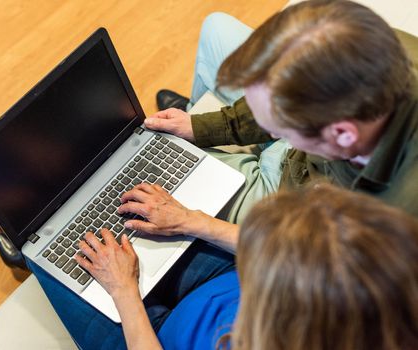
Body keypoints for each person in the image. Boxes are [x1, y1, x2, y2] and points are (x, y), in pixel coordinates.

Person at [29, 0, 418, 347]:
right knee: (217, 29)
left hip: (283, 221)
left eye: (280, 129)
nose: (277, 137)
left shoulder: (387, 237)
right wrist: (203, 129)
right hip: (242, 270)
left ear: (343, 134)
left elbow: (305, 256)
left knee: (43, 254)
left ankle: (36, 234)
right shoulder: (388, 52)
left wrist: (125, 291)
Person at [30, 184, 418, 349]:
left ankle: (29, 247)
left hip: (156, 336)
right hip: (220, 281)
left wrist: (123, 291)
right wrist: (189, 220)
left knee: (46, 254)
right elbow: (286, 248)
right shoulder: (389, 279)